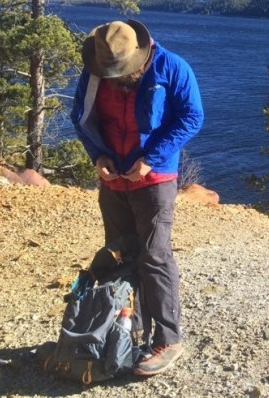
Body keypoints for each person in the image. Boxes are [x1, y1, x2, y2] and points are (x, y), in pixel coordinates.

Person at [70, 19, 204, 376]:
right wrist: (98, 155)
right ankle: (129, 329)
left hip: (155, 179)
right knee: (118, 254)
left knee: (154, 256)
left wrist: (151, 159)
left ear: (140, 53)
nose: (116, 74)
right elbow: (80, 117)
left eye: (122, 68)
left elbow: (192, 117)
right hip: (113, 180)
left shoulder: (172, 67)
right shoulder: (96, 70)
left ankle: (168, 339)